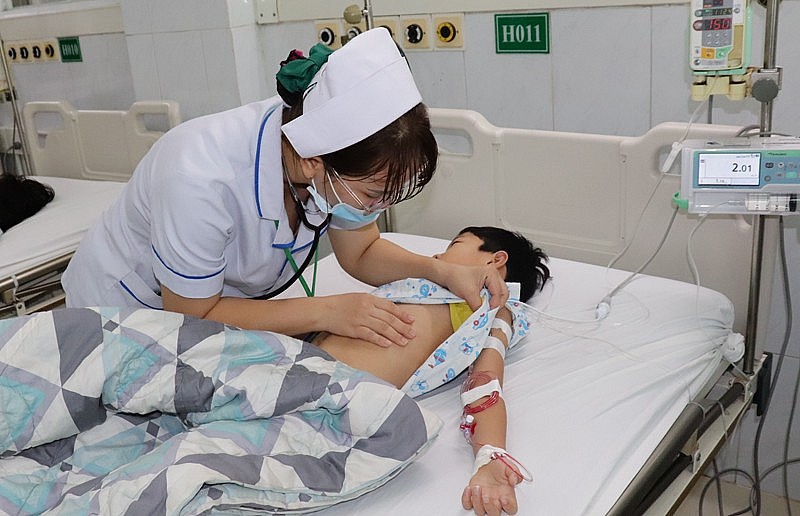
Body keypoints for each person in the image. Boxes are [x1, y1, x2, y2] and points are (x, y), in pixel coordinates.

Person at [62, 28, 508, 346]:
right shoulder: (199, 177)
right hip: (122, 312)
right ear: (314, 161)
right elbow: (193, 316)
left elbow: (362, 251)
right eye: (373, 195)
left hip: (218, 309)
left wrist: (440, 271)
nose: (377, 207)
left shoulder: (329, 145)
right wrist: (327, 311)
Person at [313, 226, 551, 516]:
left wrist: (489, 454)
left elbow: (485, 384)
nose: (437, 256)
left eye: (455, 244)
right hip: (299, 359)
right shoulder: (422, 279)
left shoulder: (493, 305)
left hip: (330, 395)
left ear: (495, 260)